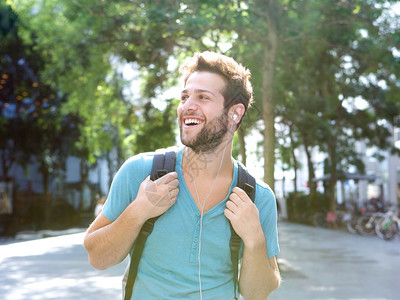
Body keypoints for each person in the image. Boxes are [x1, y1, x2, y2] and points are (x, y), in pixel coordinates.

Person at [83, 51, 281, 299]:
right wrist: (139, 210)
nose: (188, 105)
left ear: (235, 113)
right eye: (184, 97)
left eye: (203, 97)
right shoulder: (141, 173)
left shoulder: (257, 197)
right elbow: (97, 258)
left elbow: (257, 294)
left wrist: (255, 240)